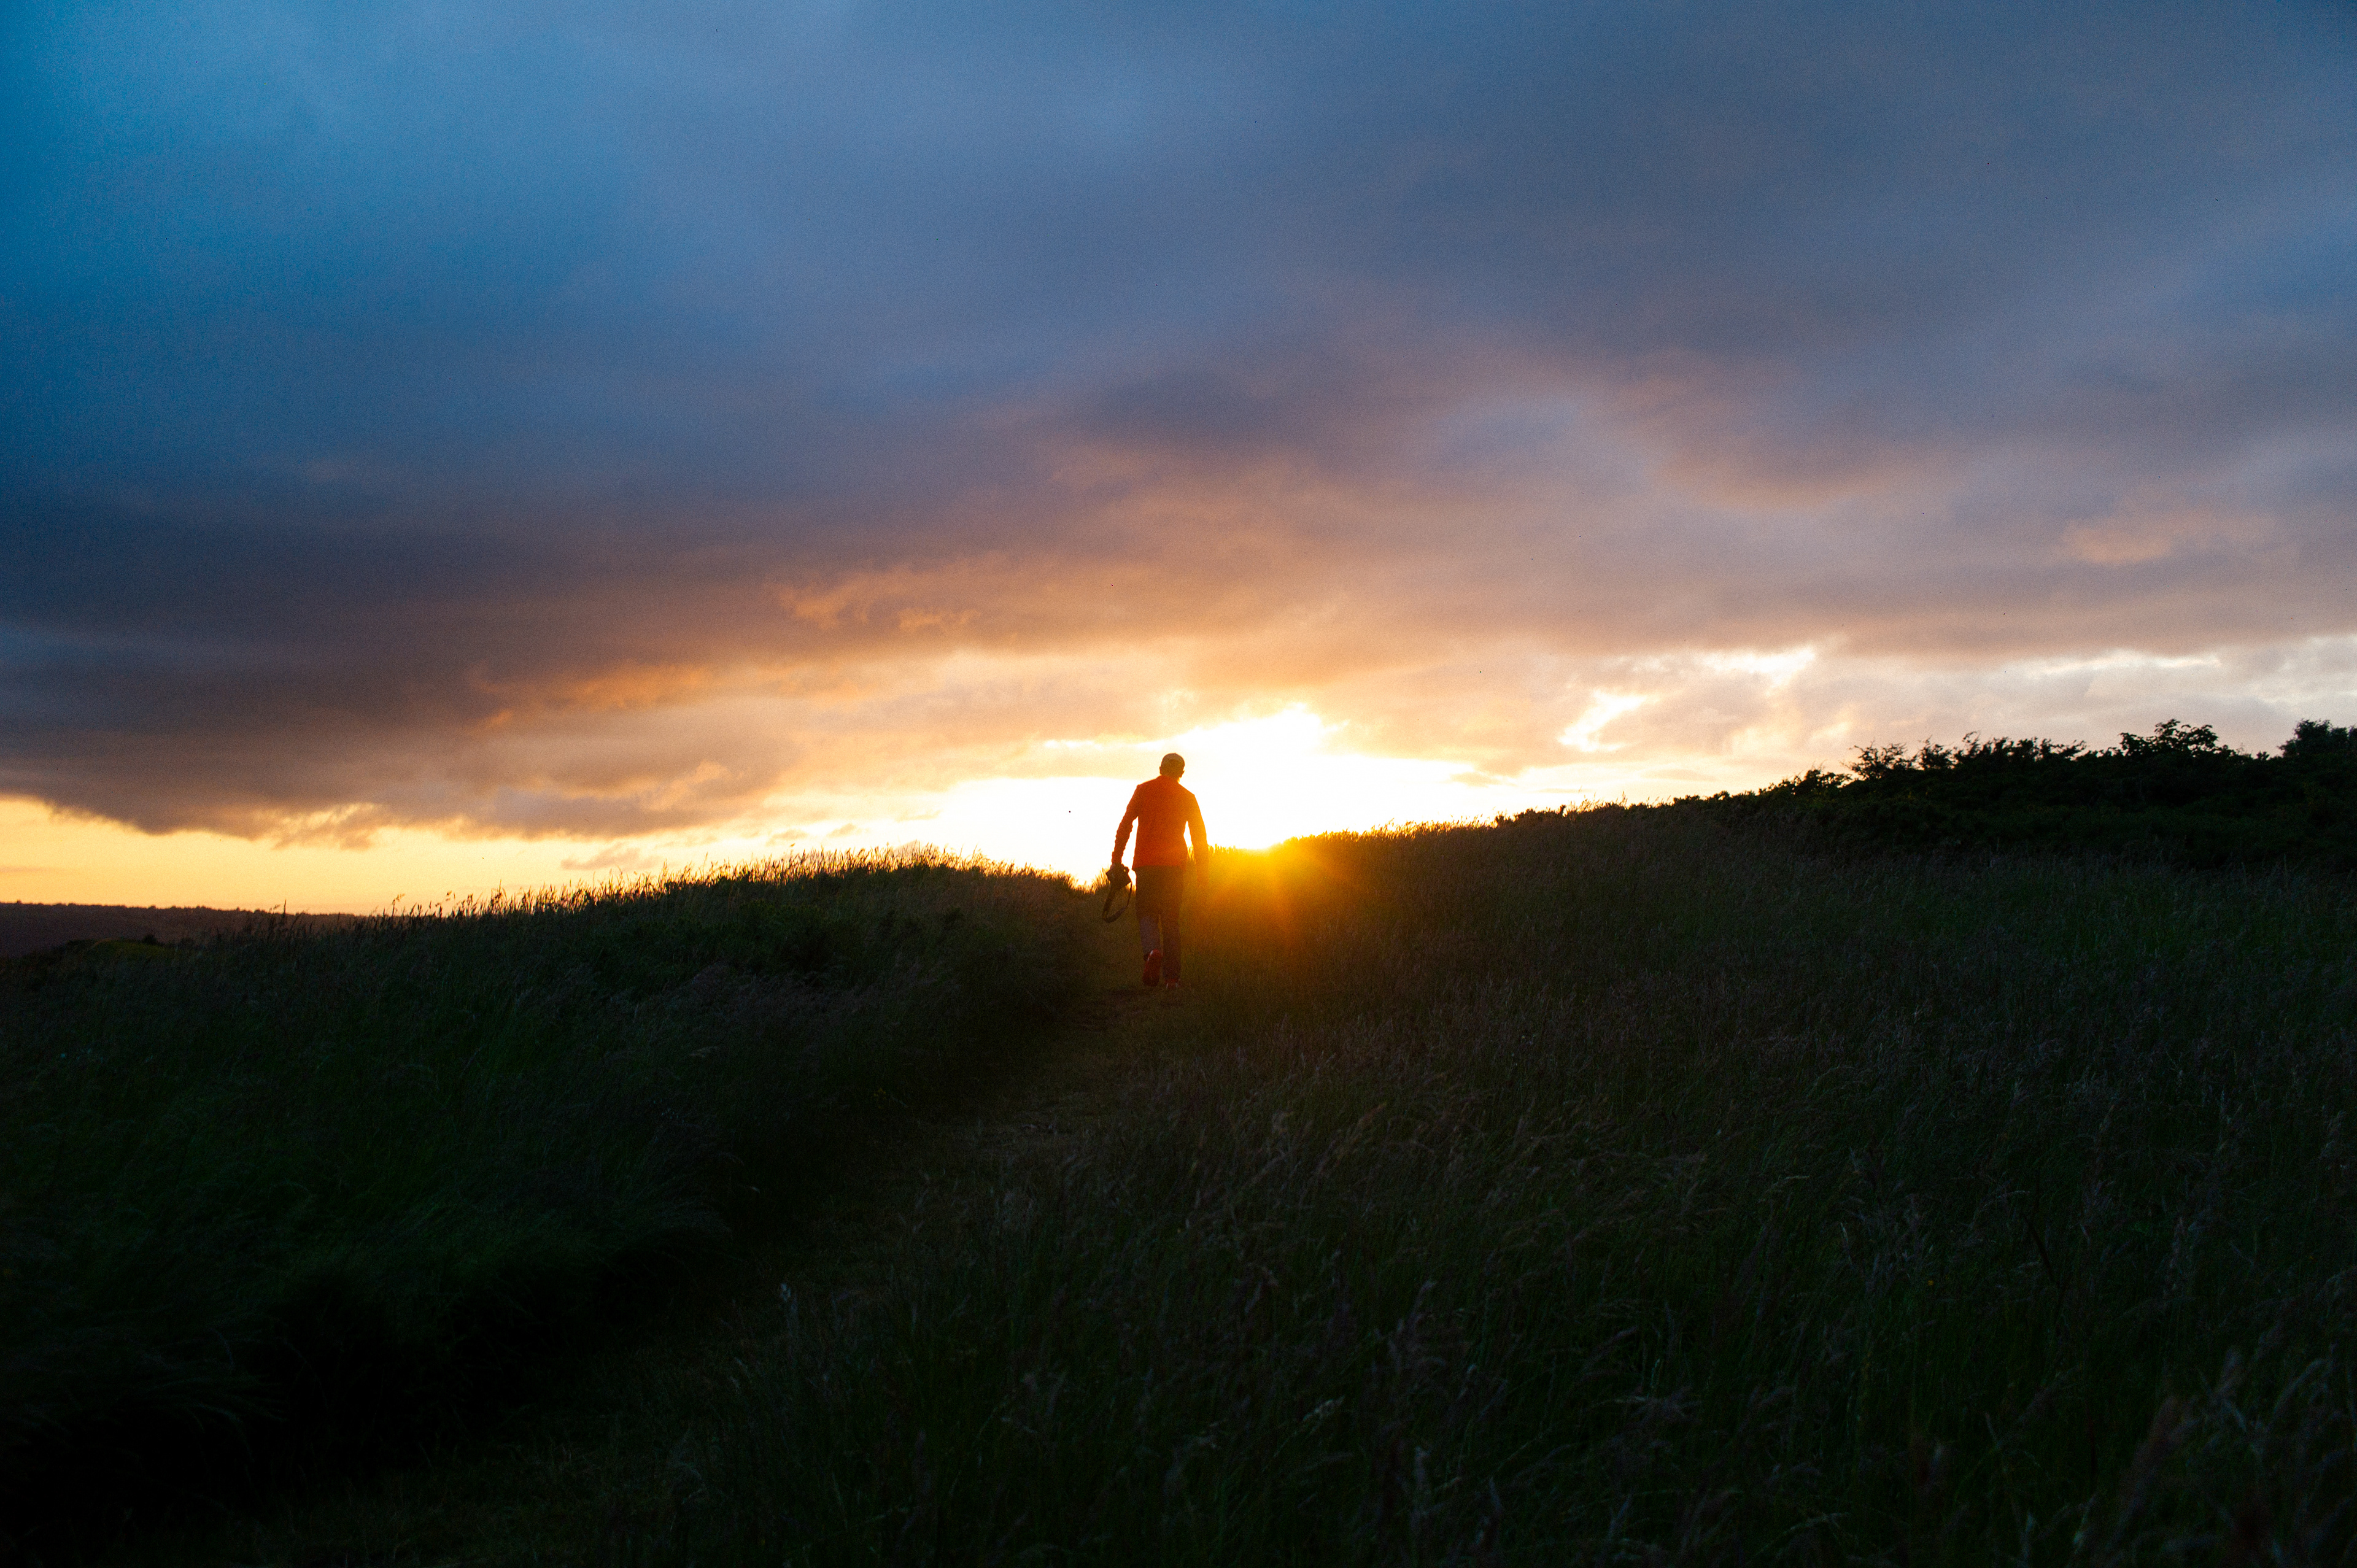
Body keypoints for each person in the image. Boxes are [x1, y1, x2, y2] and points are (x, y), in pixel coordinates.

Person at [1112, 752, 1207, 989]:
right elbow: (1200, 839)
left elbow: (1125, 825)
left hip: (1146, 864)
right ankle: (1172, 980)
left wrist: (1116, 859)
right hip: (1174, 867)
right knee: (1171, 921)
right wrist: (1203, 876)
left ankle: (1153, 951)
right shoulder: (1188, 797)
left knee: (1146, 914)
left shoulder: (1143, 790)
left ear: (1160, 768)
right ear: (1181, 774)